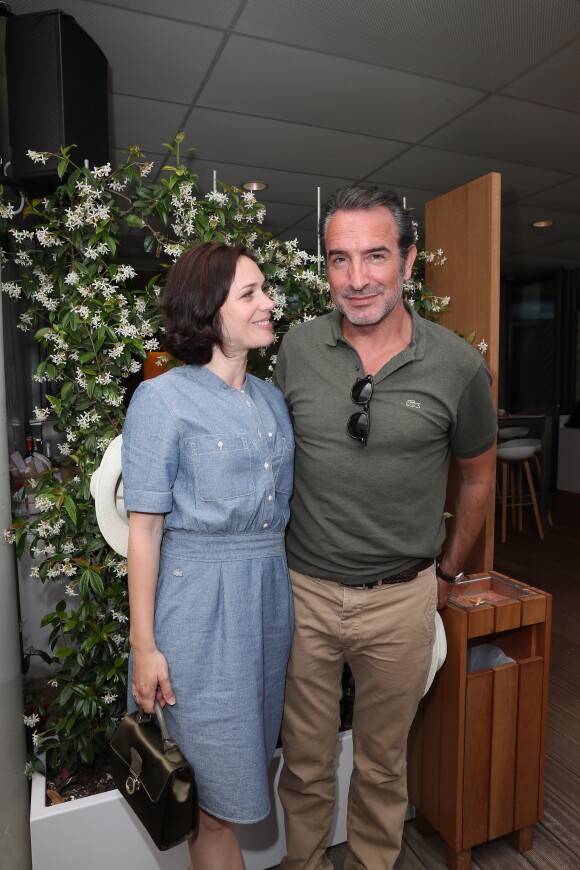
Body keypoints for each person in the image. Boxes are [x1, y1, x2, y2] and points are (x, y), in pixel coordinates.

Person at [274, 184, 497, 870]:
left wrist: (446, 574)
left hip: (403, 600)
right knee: (306, 767)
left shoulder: (458, 366)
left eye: (375, 256)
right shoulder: (295, 349)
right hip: (304, 595)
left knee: (381, 766)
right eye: (339, 260)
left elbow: (480, 476)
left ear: (408, 261)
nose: (357, 278)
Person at [121, 242, 294, 870]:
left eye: (264, 289)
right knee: (211, 802)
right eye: (249, 294)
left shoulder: (273, 401)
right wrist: (146, 647)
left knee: (241, 779)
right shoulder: (161, 399)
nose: (268, 303)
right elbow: (144, 531)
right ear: (206, 310)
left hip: (267, 610)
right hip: (199, 613)